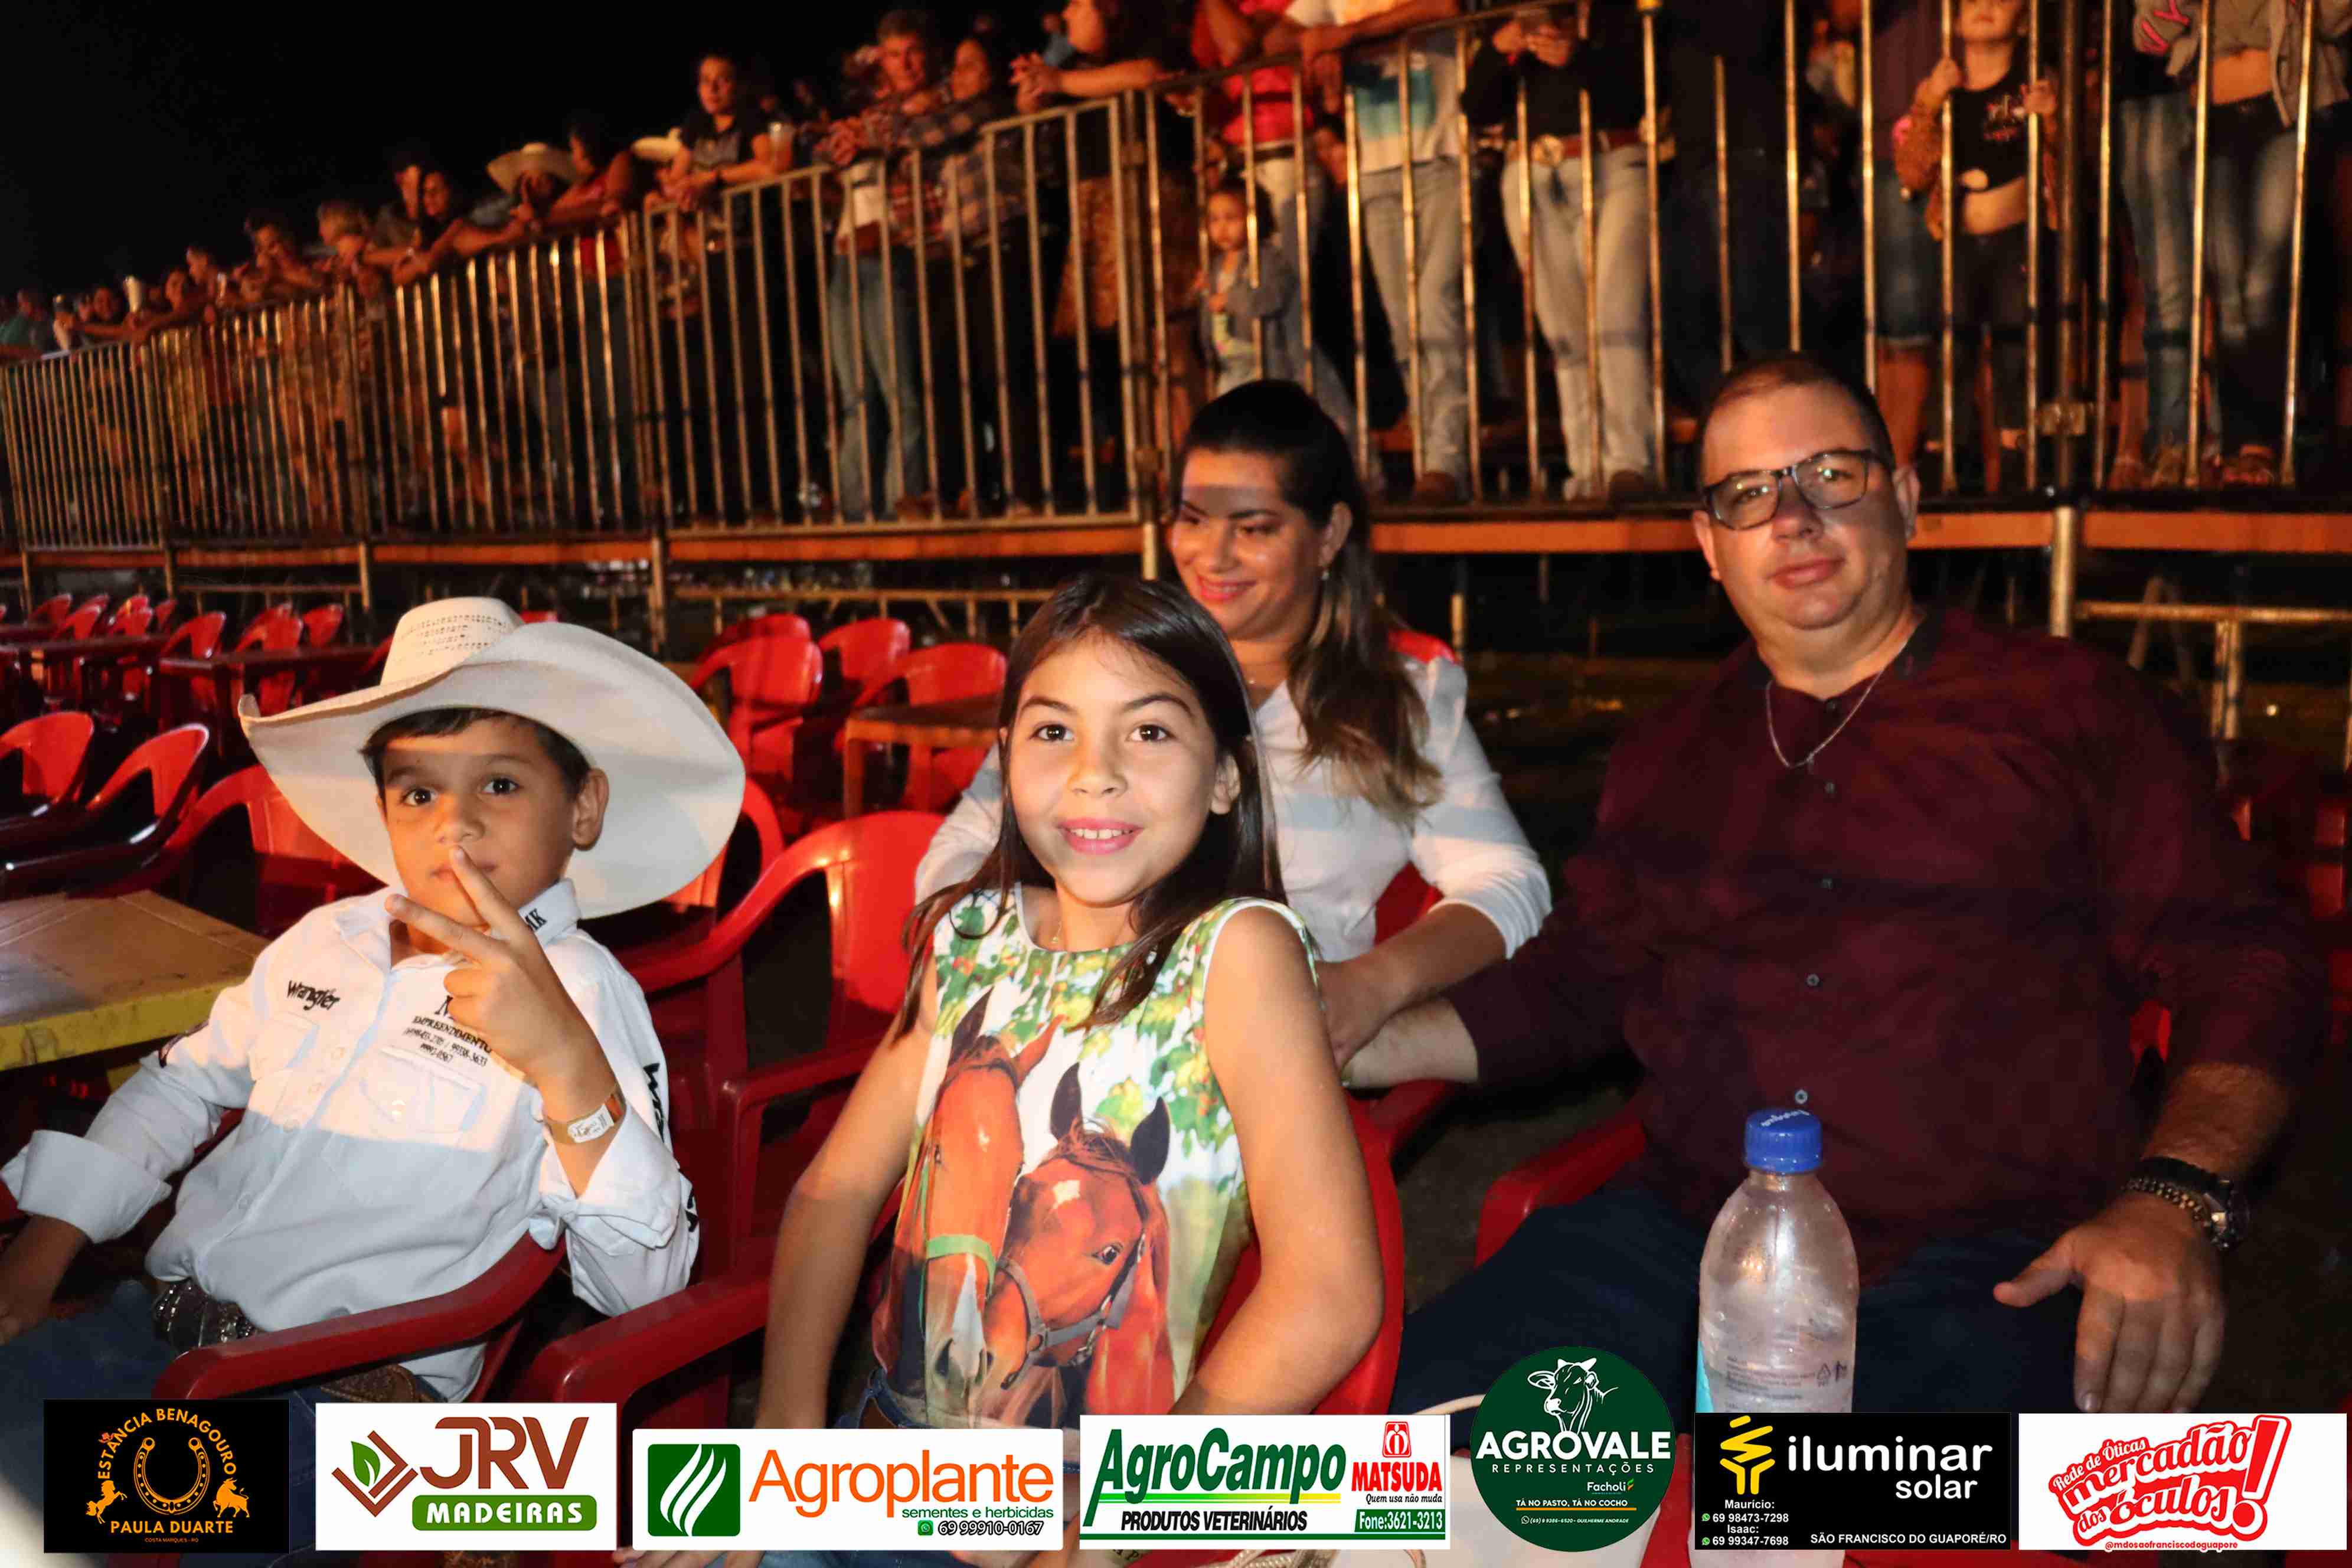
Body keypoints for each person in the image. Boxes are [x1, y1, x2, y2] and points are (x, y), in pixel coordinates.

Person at [1340, 354, 2322, 1432]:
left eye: (1831, 476)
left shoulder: (2066, 710)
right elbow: (1584, 979)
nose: (1793, 518)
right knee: (1372, 1479)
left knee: (1780, 1506)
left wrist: (2174, 1200)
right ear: (1709, 545)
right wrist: (1361, 1036)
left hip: (1985, 1273)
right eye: (1748, 494)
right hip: (1682, 1244)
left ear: (1906, 500)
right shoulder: (1672, 751)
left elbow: (2247, 960)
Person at [637, 573, 1383, 1568]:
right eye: (1053, 731)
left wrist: (1116, 1522)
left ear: (1224, 779)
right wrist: (783, 1444)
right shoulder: (968, 937)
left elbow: (1328, 1291)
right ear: (1004, 761)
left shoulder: (1238, 956)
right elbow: (833, 1192)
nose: (1094, 774)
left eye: (1149, 731)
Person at [0, 598, 741, 1551]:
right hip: (152, 1329)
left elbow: (646, 1286)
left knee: (38, 1509)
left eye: (501, 784)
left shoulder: (584, 996)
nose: (455, 825)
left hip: (340, 1417)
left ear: (583, 806)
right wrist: (44, 1247)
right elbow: (185, 1083)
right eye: (417, 794)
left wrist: (565, 1066)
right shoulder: (328, 939)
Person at [922, 381, 1551, 1056]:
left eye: (1252, 529)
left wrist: (1372, 986)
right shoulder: (1103, 666)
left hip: (1270, 1054)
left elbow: (1508, 882)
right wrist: (1043, 947)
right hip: (1063, 1035)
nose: (1212, 556)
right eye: (1193, 519)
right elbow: (954, 857)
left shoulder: (1399, 699)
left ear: (1330, 534)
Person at [2136, 0, 2352, 486]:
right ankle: (2240, 443)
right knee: (2230, 292)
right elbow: (2147, 37)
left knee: (2263, 282)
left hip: (2285, 111)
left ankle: (2264, 445)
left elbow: (2337, 18)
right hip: (2210, 121)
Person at [1266, 0, 1471, 504]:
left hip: (1442, 157)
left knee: (1436, 307)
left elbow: (1444, 6)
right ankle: (1432, 453)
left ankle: (1445, 461)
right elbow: (1275, 39)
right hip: (1377, 170)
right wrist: (1317, 46)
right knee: (1405, 323)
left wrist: (1348, 37)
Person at [1464, 2, 1657, 501]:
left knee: (1617, 315)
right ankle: (1586, 468)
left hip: (1612, 161)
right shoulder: (1513, 13)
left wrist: (1579, 55)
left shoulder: (1617, 12)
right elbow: (1478, 109)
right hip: (1530, 172)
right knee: (1563, 330)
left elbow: (1644, 92)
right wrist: (1498, 49)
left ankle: (1628, 464)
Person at [1894, 0, 2057, 491]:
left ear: (2024, 19)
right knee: (1954, 349)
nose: (1985, 6)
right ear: (1953, 18)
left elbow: (2072, 163)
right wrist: (1928, 102)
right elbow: (1913, 172)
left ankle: (2019, 462)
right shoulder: (1943, 87)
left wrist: (2052, 119)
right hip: (1958, 246)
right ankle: (1949, 461)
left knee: (2016, 351)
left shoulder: (2033, 83)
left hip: (2018, 241)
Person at [822, 10, 948, 522]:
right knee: (856, 396)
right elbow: (824, 151)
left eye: (913, 52)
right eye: (894, 56)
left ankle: (904, 503)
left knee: (901, 392)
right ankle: (855, 512)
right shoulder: (872, 114)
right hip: (846, 259)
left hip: (896, 253)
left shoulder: (936, 103)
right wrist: (841, 143)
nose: (905, 64)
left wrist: (867, 136)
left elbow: (917, 132)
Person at [2106, 0, 2198, 488]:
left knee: (2181, 281)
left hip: (2172, 83)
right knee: (2136, 284)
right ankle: (2143, 438)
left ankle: (2181, 438)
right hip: (2115, 87)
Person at [1194, 178, 1329, 398]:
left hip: (1262, 362)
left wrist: (1230, 299)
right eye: (1214, 219)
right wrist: (1204, 292)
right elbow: (1211, 309)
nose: (1222, 228)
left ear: (1255, 218)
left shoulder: (1267, 259)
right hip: (1229, 366)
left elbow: (1272, 297)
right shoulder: (1215, 266)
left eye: (1231, 218)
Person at [661, 50, 785, 213]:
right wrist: (664, 191)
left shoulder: (752, 118)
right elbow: (677, 179)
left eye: (723, 80)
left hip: (749, 221)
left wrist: (712, 178)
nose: (712, 88)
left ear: (740, 85)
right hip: (708, 222)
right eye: (705, 81)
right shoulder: (696, 124)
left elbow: (770, 167)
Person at [0, 288, 50, 360]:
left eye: (22, 303)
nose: (20, 308)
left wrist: (5, 350)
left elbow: (37, 352)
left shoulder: (37, 323)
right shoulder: (7, 326)